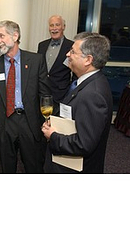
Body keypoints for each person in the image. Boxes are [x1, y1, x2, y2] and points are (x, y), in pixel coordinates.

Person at [0, 20, 51, 173]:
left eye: (1, 36)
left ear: (15, 35)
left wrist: (47, 121)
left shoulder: (36, 61)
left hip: (30, 121)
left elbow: (45, 94)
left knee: (34, 166)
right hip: (4, 123)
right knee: (7, 167)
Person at [42, 32, 113, 173]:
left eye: (73, 52)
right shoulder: (86, 82)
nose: (67, 54)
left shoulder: (93, 94)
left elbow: (83, 144)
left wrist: (53, 136)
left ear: (88, 60)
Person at [37, 15, 75, 114]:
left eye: (57, 25)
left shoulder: (71, 46)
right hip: (42, 92)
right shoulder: (42, 45)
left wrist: (71, 93)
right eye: (51, 25)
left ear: (63, 27)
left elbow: (75, 72)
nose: (54, 28)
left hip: (61, 94)